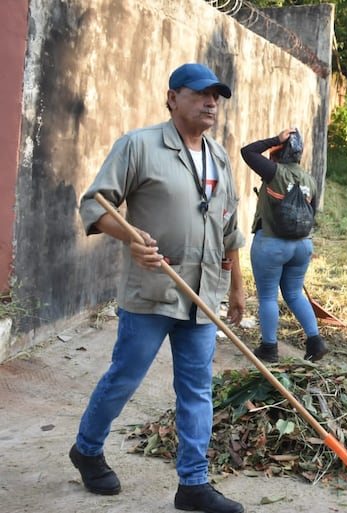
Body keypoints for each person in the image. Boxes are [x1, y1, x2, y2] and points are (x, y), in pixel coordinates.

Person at [73, 63, 246, 513]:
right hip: (153, 289)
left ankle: (193, 484)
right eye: (201, 94)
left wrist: (237, 288)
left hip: (202, 296)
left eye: (216, 96)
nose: (211, 103)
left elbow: (229, 229)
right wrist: (130, 238)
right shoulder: (140, 146)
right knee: (125, 378)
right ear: (172, 97)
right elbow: (95, 204)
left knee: (197, 388)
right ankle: (87, 449)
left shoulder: (220, 157)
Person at [240, 128, 328, 364]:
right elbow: (312, 213)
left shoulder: (274, 172)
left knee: (268, 296)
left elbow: (247, 152)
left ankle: (269, 347)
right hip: (302, 247)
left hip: (271, 244)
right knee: (293, 293)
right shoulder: (310, 179)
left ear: (278, 152)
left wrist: (273, 140)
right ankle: (315, 341)